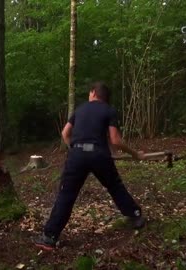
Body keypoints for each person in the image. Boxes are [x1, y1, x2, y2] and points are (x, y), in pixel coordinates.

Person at [34, 81, 146, 251]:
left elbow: (65, 134)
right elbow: (115, 140)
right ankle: (135, 215)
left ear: (93, 93)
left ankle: (49, 237)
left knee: (66, 194)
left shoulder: (79, 109)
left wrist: (75, 150)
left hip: (76, 155)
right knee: (115, 186)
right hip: (99, 155)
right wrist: (135, 154)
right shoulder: (109, 110)